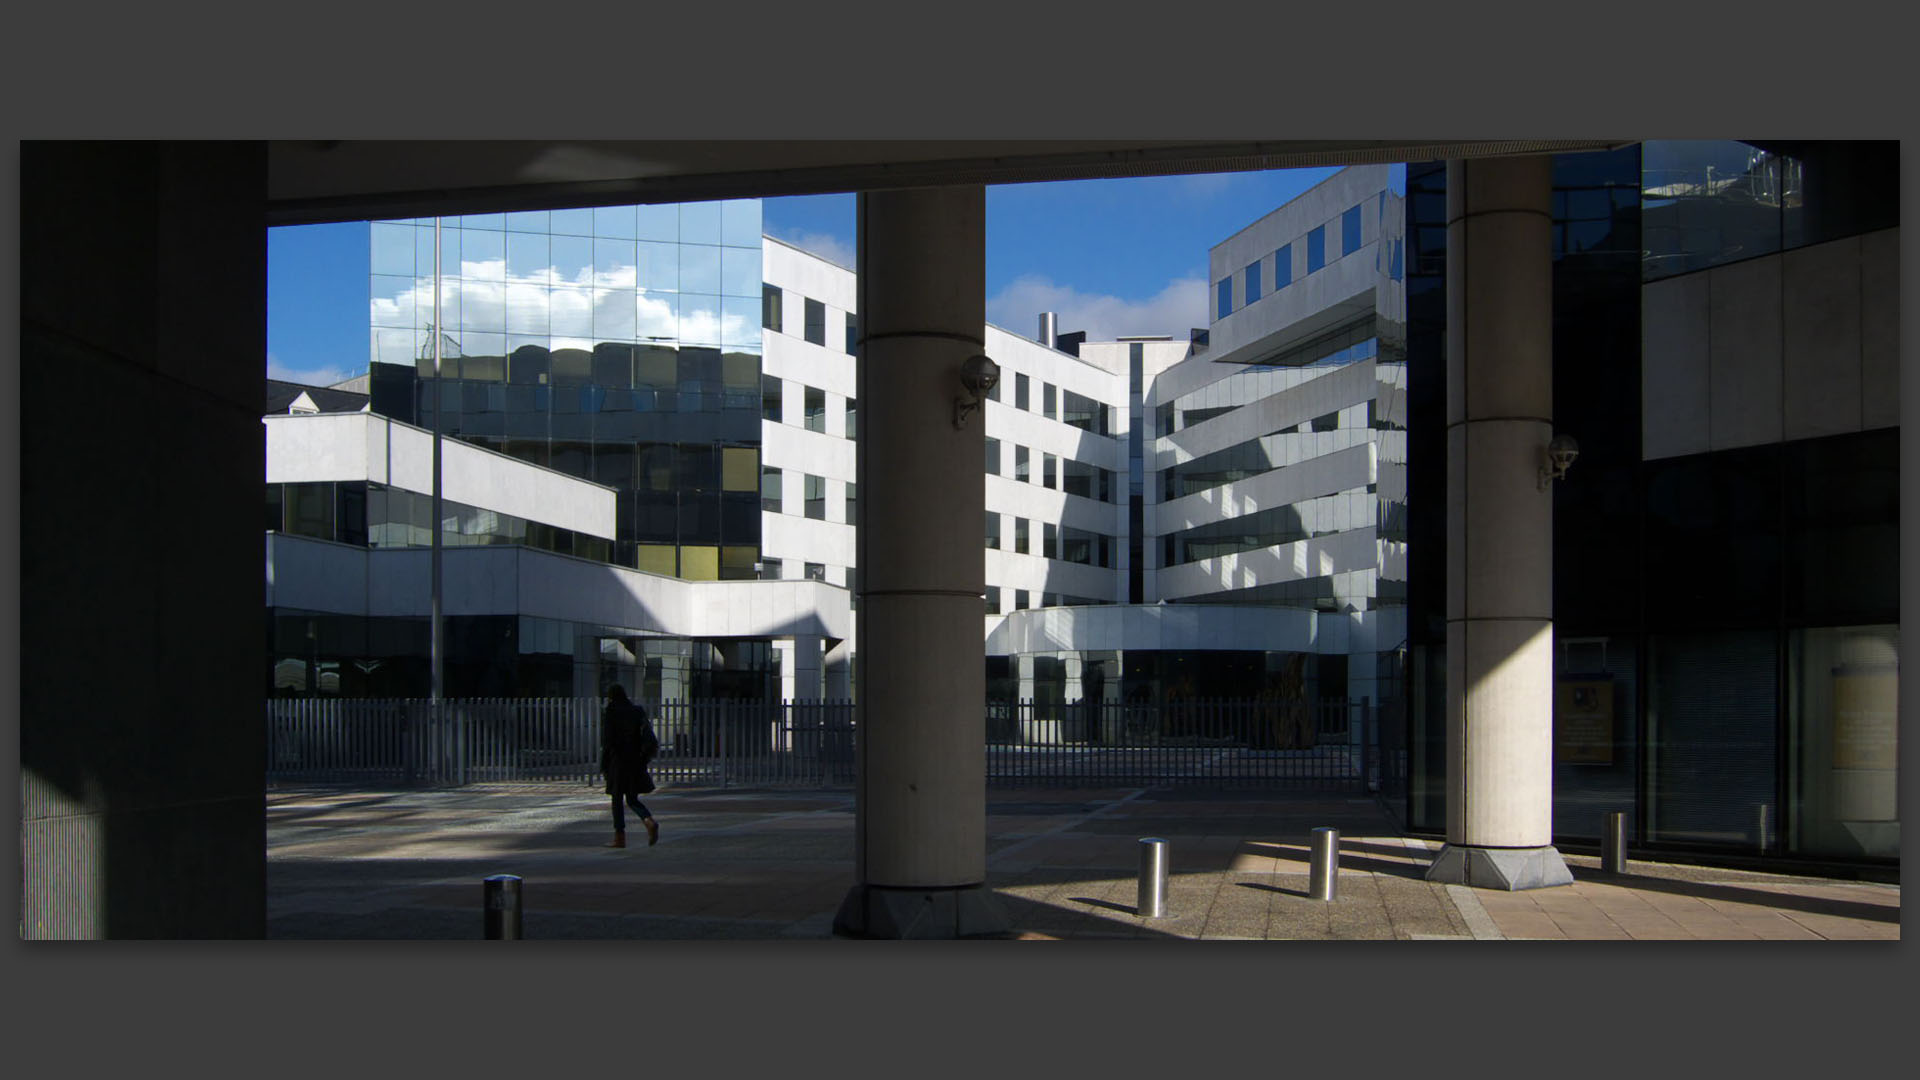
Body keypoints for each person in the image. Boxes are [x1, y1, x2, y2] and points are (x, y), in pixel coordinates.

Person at [599, 683, 660, 848]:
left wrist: (604, 765)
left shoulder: (611, 712)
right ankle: (648, 821)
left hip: (617, 762)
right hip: (635, 760)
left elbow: (607, 741)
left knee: (617, 799)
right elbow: (648, 737)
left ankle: (620, 838)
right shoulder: (637, 711)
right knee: (632, 798)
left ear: (611, 697)